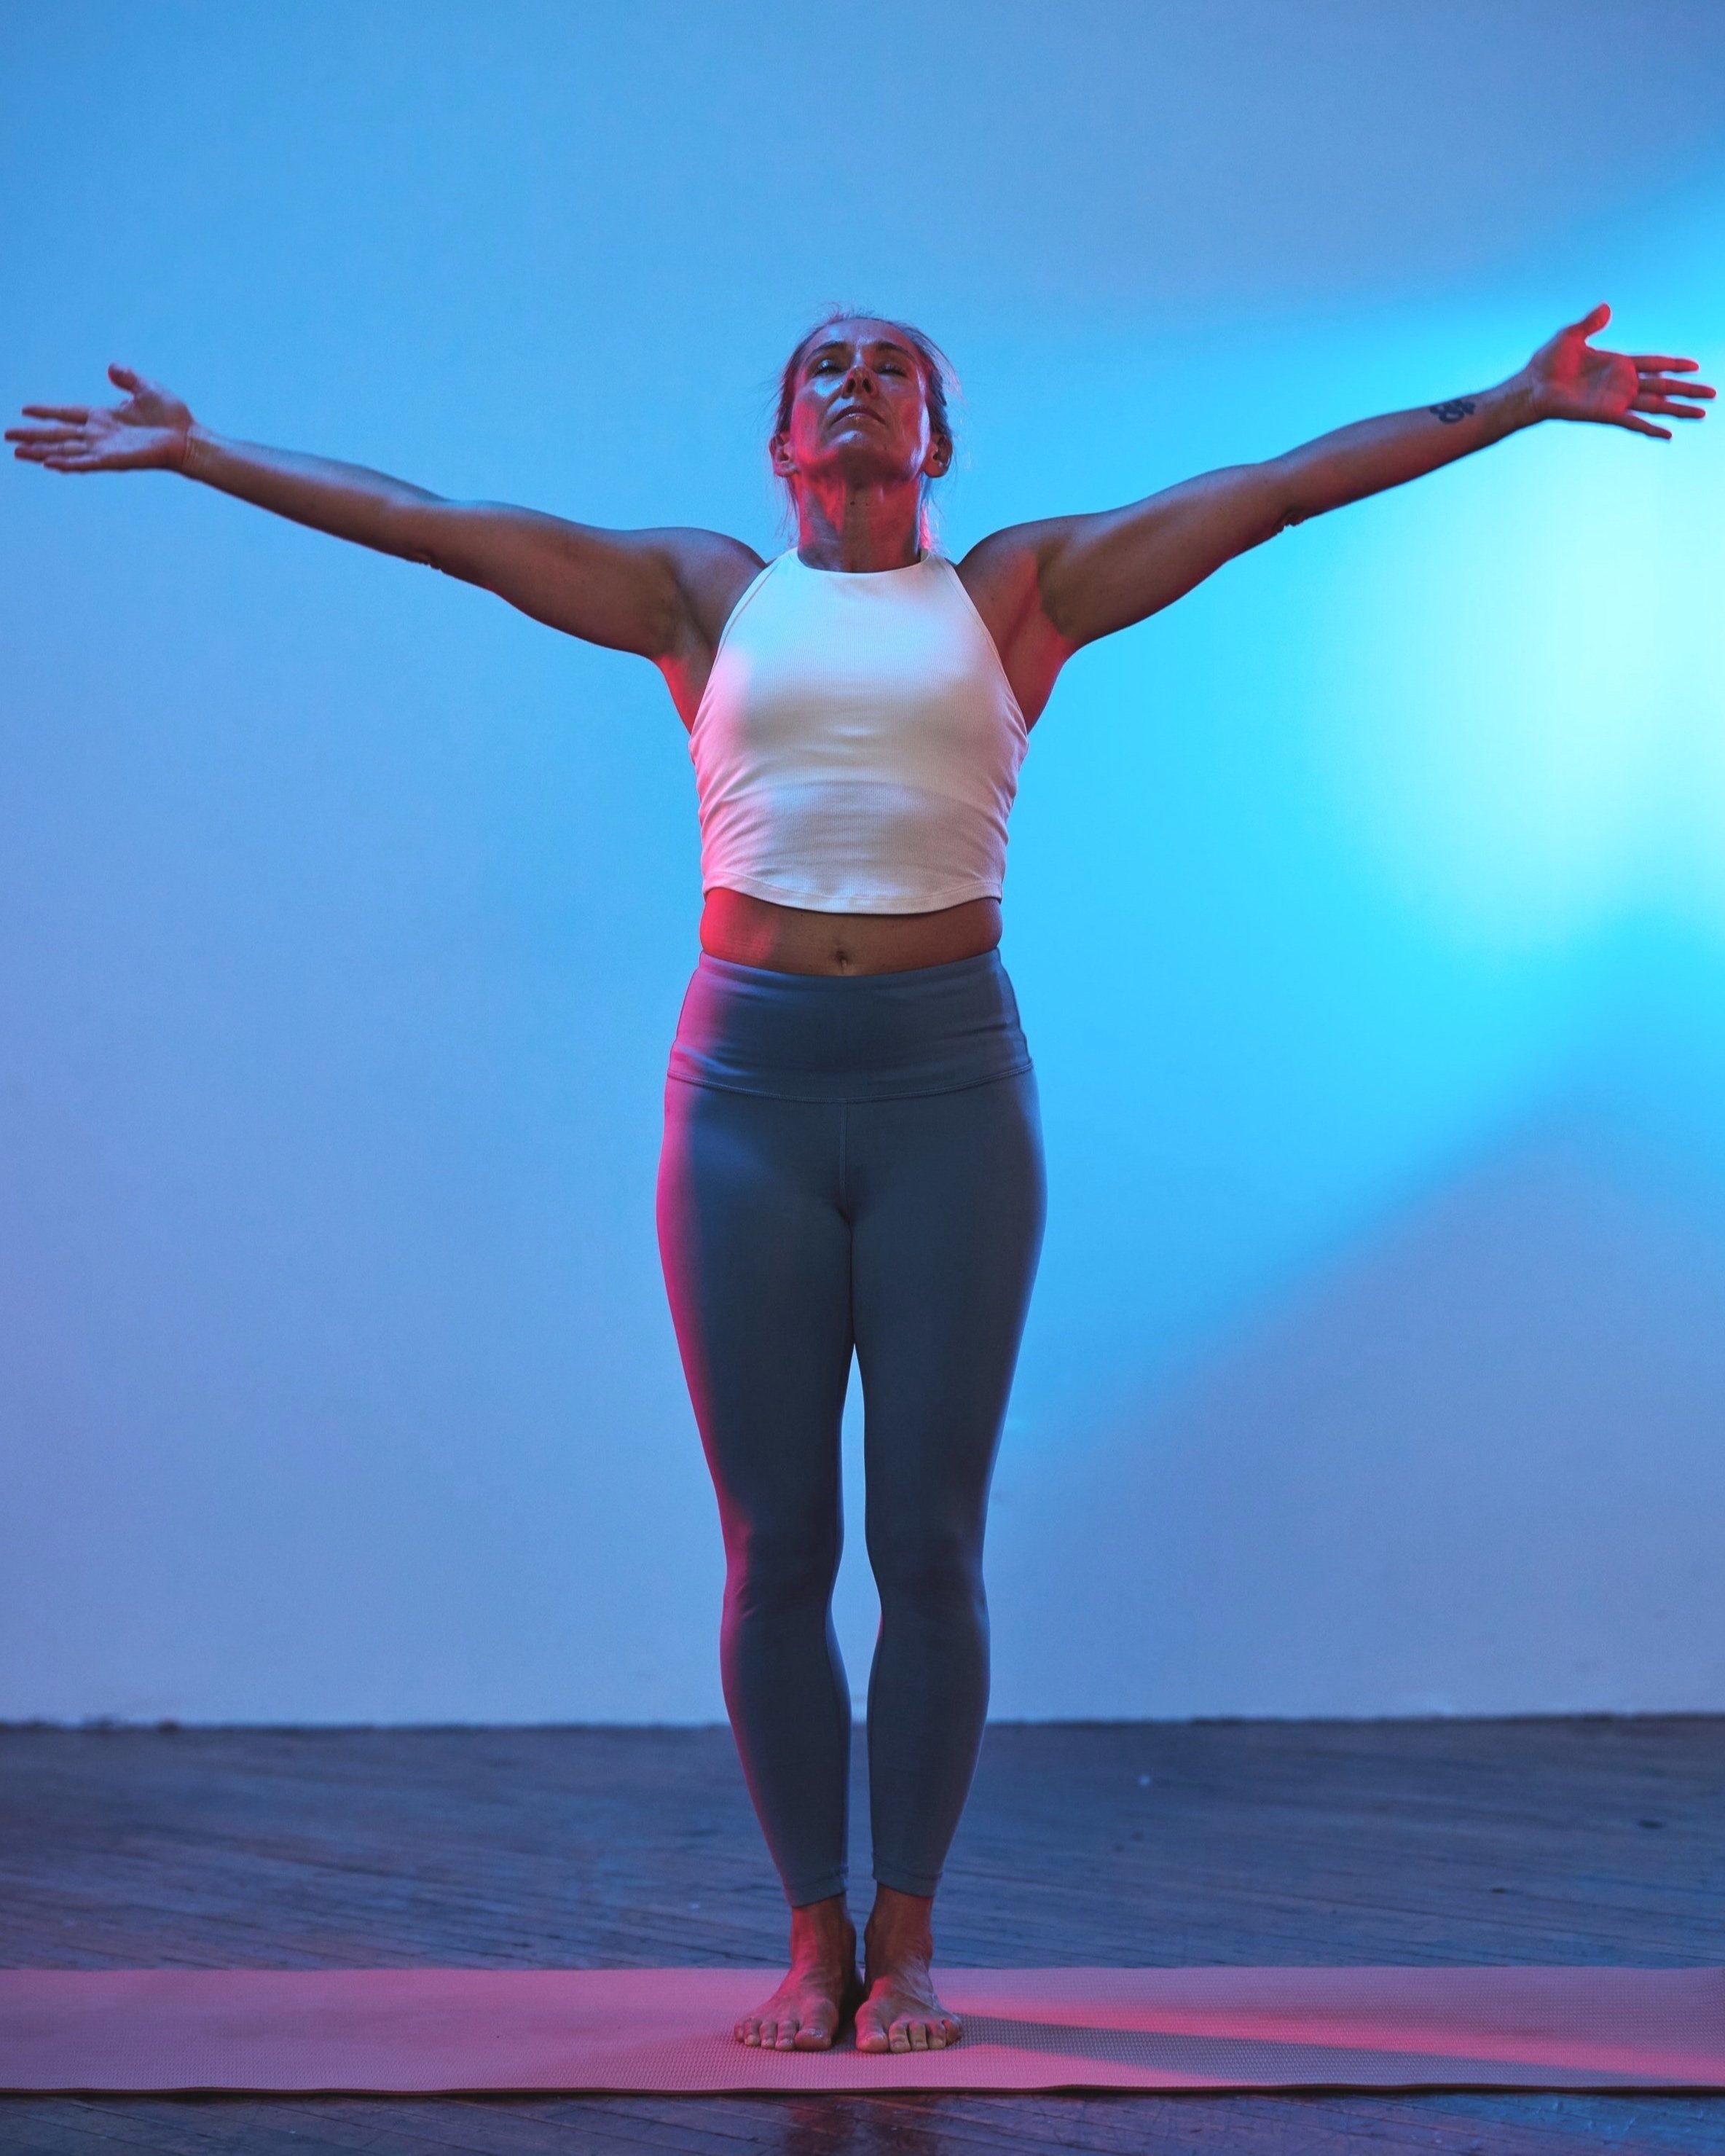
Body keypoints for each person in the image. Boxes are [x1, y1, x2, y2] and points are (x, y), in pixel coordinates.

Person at [10, 303, 1710, 2055]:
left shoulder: (1014, 596)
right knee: (773, 1546)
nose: (856, 378)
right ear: (780, 439)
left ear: (933, 439)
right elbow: (433, 524)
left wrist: (1511, 404)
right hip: (742, 1096)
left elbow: (1272, 490)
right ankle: (808, 1940)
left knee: (927, 1543)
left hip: (945, 1094)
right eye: (823, 363)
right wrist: (204, 454)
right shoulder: (702, 596)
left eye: (892, 363)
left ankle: (906, 1941)